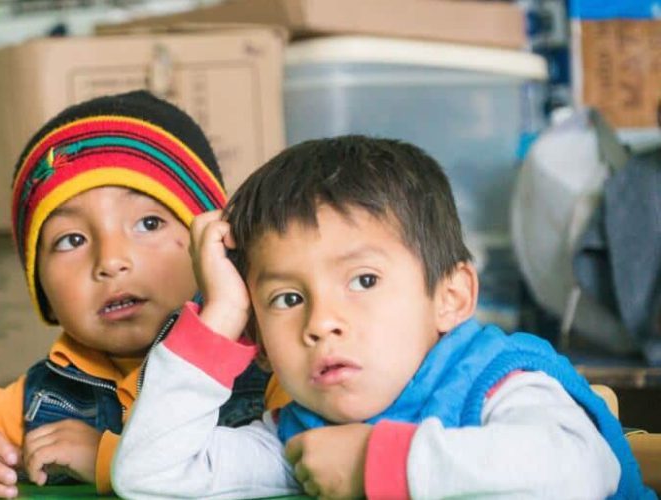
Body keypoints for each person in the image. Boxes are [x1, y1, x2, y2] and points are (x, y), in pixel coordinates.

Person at [112, 135, 654, 499]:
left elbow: (578, 471)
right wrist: (220, 314)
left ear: (450, 296)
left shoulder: (500, 382)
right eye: (288, 299)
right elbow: (151, 475)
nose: (321, 322)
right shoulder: (304, 432)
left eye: (364, 281)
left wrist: (378, 461)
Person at [0, 91, 284, 497]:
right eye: (71, 240)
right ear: (39, 284)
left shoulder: (269, 368)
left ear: (211, 245)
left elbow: (307, 459)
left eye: (149, 224)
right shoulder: (41, 397)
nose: (111, 261)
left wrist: (104, 457)